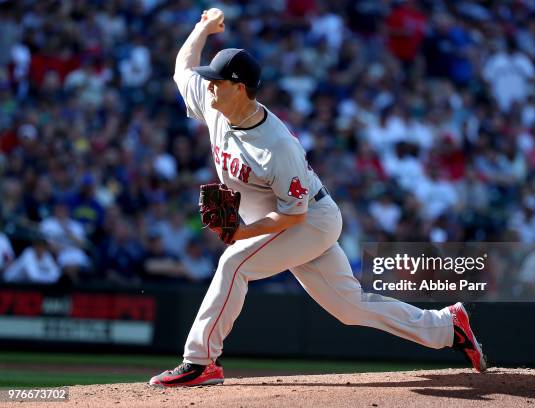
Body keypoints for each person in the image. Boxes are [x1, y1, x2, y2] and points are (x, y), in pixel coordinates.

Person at [149, 8, 487, 387]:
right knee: (349, 306)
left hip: (310, 220)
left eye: (217, 82)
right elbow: (183, 67)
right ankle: (448, 327)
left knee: (235, 264)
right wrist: (202, 28)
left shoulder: (277, 146)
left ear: (239, 88)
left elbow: (293, 216)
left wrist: (240, 235)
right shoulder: (216, 107)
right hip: (284, 222)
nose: (208, 86)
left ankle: (201, 361)